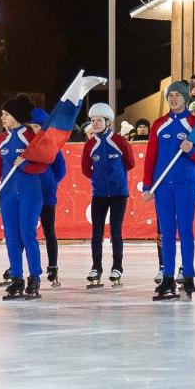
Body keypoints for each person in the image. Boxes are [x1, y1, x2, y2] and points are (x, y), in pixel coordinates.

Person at [141, 80, 195, 300]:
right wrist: (147, 186)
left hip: (185, 186)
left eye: (177, 96)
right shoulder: (158, 124)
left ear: (185, 99)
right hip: (163, 187)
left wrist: (190, 151)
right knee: (167, 232)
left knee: (186, 230)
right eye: (170, 96)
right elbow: (151, 157)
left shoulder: (194, 124)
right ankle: (168, 277)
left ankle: (188, 275)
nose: (173, 99)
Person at [0, 95, 53, 300]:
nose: (2, 118)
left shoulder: (31, 137)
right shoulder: (1, 140)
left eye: (6, 114)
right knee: (12, 238)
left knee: (27, 234)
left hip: (30, 194)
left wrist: (24, 164)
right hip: (7, 196)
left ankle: (34, 277)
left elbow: (44, 163)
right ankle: (16, 278)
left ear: (16, 116)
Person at [81, 102, 135, 286]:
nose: (95, 123)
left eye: (99, 120)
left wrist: (116, 178)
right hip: (99, 194)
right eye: (93, 120)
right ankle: (96, 267)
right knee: (96, 232)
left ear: (108, 122)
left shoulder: (119, 141)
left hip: (119, 194)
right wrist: (98, 179)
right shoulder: (90, 145)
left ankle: (117, 267)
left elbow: (130, 163)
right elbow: (85, 169)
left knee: (116, 231)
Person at [30, 107, 67, 287]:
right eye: (32, 126)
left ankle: (53, 266)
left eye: (37, 126)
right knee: (26, 231)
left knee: (48, 230)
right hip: (29, 195)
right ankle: (17, 267)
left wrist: (50, 183)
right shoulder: (26, 144)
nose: (34, 130)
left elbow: (61, 170)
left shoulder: (52, 146)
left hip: (46, 196)